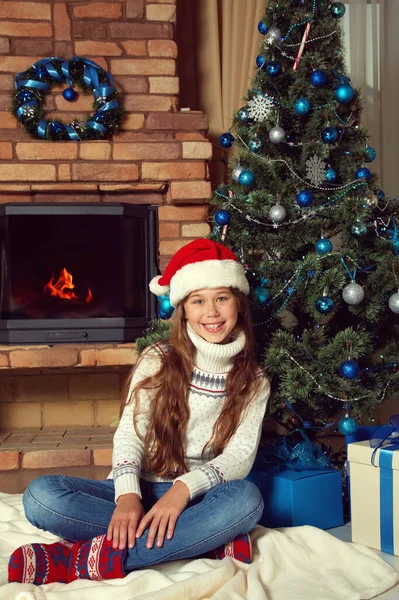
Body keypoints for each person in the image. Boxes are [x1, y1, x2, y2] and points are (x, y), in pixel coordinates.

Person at [9, 238, 270, 585]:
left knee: (247, 502)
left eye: (222, 298)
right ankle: (200, 542)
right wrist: (128, 495)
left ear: (238, 303)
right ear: (183, 310)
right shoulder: (157, 360)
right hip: (142, 487)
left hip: (198, 498)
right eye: (198, 301)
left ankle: (81, 560)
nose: (212, 312)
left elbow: (239, 457)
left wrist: (181, 492)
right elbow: (131, 433)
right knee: (40, 498)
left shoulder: (254, 380)